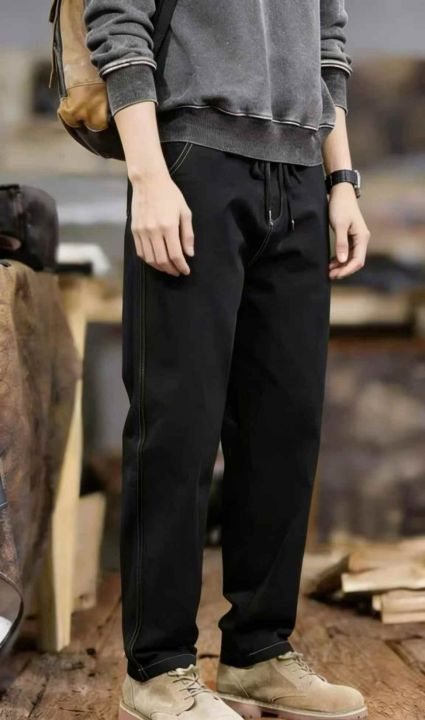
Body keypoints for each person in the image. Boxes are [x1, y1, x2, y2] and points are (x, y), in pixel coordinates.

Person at [84, 2, 370, 719]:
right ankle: (156, 667)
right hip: (193, 160)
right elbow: (119, 20)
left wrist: (341, 179)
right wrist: (149, 177)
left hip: (302, 176)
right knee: (177, 426)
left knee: (284, 428)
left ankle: (258, 652)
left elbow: (327, 43)